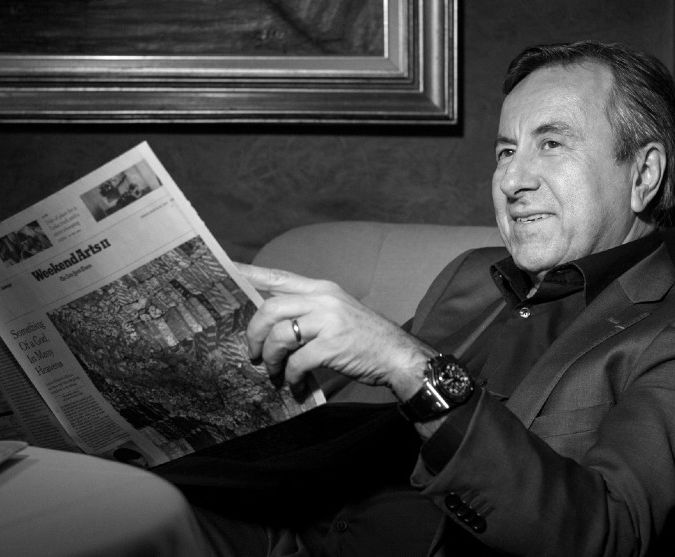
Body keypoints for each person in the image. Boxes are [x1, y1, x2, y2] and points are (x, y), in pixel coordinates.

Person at [164, 40, 675, 556]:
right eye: (505, 152)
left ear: (643, 174)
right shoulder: (471, 275)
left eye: (552, 144)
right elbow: (349, 420)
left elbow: (613, 533)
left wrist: (409, 364)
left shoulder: (663, 332)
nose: (511, 180)